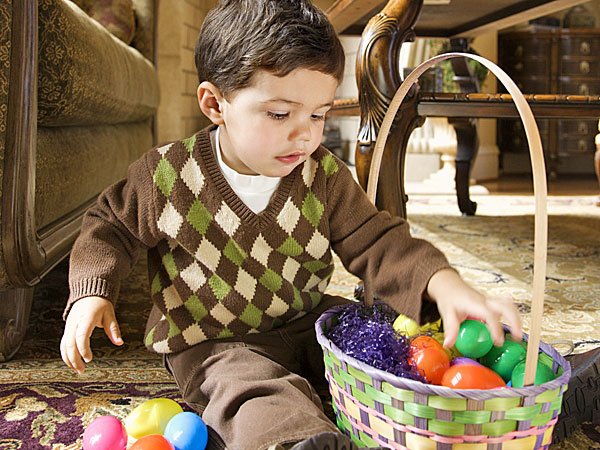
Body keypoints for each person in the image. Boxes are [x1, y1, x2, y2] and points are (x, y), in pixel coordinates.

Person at [60, 1, 524, 449]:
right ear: (214, 104)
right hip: (215, 340)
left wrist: (442, 284)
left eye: (318, 115)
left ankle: (501, 393)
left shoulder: (322, 175)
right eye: (280, 114)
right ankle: (298, 439)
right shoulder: (166, 175)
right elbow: (109, 224)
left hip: (306, 317)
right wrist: (92, 290)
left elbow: (377, 240)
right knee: (251, 391)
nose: (305, 133)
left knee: (386, 335)